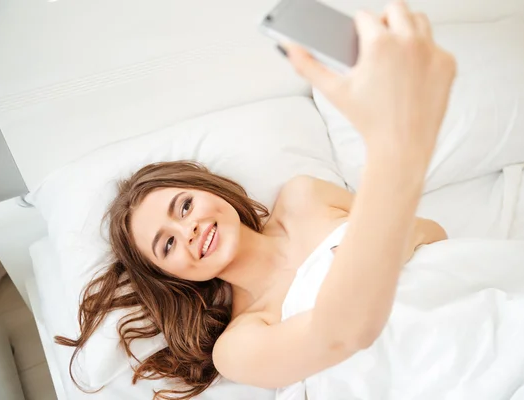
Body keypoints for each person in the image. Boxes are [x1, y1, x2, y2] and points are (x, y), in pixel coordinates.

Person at [55, 2, 456, 399]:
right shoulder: (238, 345)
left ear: (212, 191)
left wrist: (379, 242)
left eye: (185, 206)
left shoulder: (304, 197)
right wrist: (397, 152)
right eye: (169, 244)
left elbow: (434, 234)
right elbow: (341, 335)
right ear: (169, 277)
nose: (188, 228)